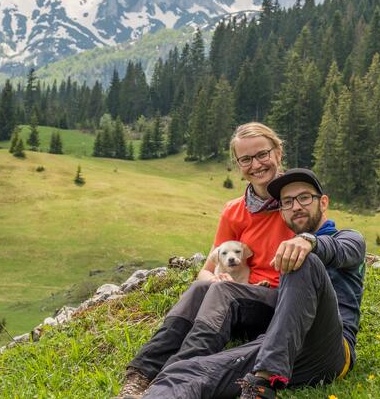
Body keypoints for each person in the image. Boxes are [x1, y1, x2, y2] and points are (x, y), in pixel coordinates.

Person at [140, 168, 366, 399]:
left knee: (303, 260)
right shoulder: (290, 246)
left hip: (329, 351)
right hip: (280, 346)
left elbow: (341, 250)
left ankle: (262, 386)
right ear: (282, 212)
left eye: (304, 197)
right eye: (287, 202)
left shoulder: (348, 239)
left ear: (323, 202)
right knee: (183, 373)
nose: (296, 206)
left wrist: (308, 242)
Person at [119, 122, 294, 397]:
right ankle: (140, 375)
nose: (256, 164)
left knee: (222, 292)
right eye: (246, 159)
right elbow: (205, 272)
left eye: (263, 154)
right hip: (240, 300)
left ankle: (168, 382)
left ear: (278, 153)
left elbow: (323, 244)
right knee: (203, 287)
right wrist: (216, 278)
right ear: (238, 165)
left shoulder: (295, 201)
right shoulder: (234, 211)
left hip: (280, 303)